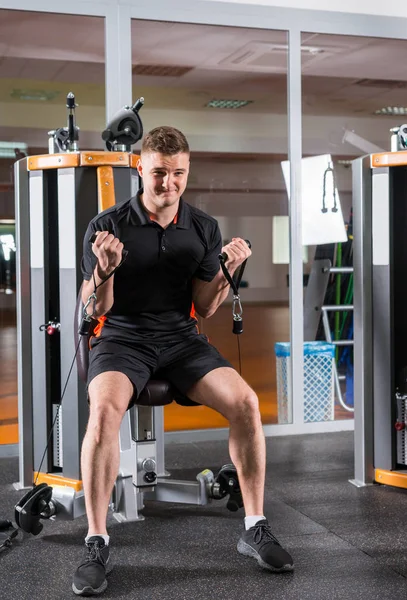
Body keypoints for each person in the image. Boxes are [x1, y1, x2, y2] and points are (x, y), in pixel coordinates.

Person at [72, 126, 294, 596]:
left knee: (247, 404)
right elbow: (95, 310)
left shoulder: (203, 227)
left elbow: (207, 307)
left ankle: (255, 526)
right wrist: (106, 271)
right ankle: (96, 539)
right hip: (122, 338)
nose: (168, 183)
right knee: (104, 411)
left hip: (180, 338)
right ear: (140, 169)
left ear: (187, 170)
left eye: (177, 173)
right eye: (158, 173)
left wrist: (226, 272)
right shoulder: (106, 225)